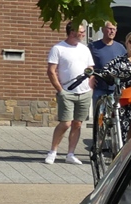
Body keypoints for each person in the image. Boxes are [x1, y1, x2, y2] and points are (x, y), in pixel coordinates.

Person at [45, 22, 94, 165]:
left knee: (77, 124)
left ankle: (70, 154)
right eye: (81, 31)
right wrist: (60, 90)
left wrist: (91, 84)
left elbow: (90, 68)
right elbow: (51, 71)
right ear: (72, 32)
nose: (84, 34)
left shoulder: (85, 49)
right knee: (65, 123)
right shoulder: (58, 48)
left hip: (85, 92)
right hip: (67, 92)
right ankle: (53, 151)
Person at [88, 20, 126, 110]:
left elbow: (126, 64)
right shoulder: (93, 46)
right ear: (103, 29)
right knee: (99, 116)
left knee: (114, 115)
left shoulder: (120, 48)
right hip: (99, 88)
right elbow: (86, 63)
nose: (112, 31)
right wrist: (90, 76)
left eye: (114, 29)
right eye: (109, 29)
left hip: (115, 89)